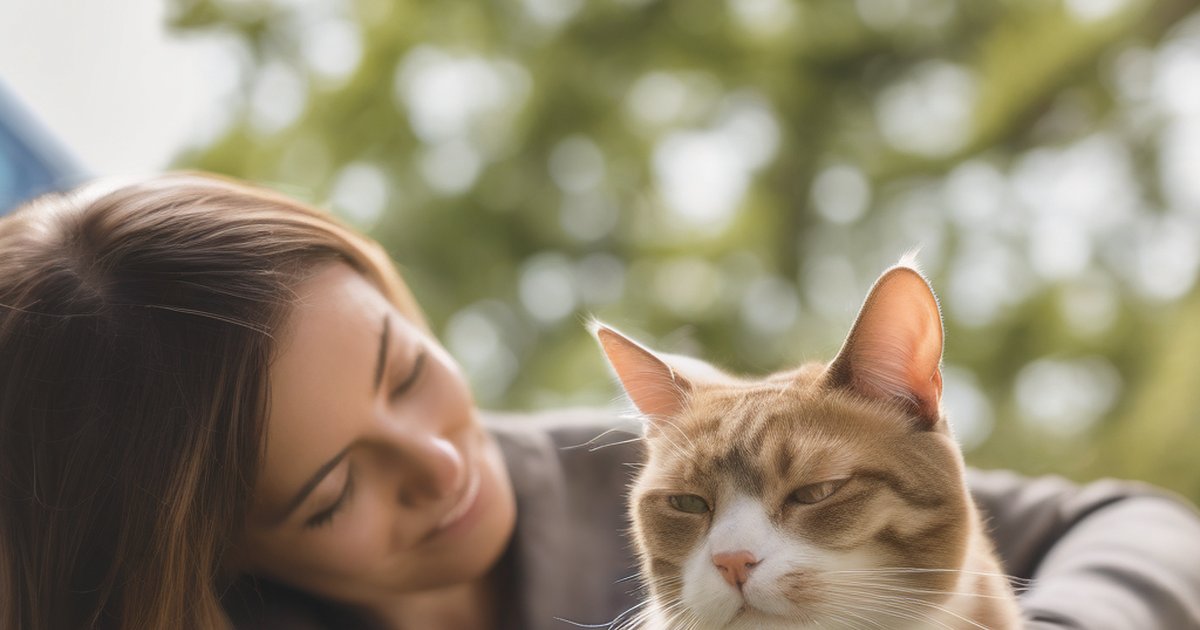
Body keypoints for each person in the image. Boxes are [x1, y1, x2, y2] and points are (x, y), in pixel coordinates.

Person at [1, 173, 1198, 630]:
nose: (442, 464)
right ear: (207, 556)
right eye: (331, 492)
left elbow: (1141, 525)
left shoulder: (644, 469)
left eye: (407, 369)